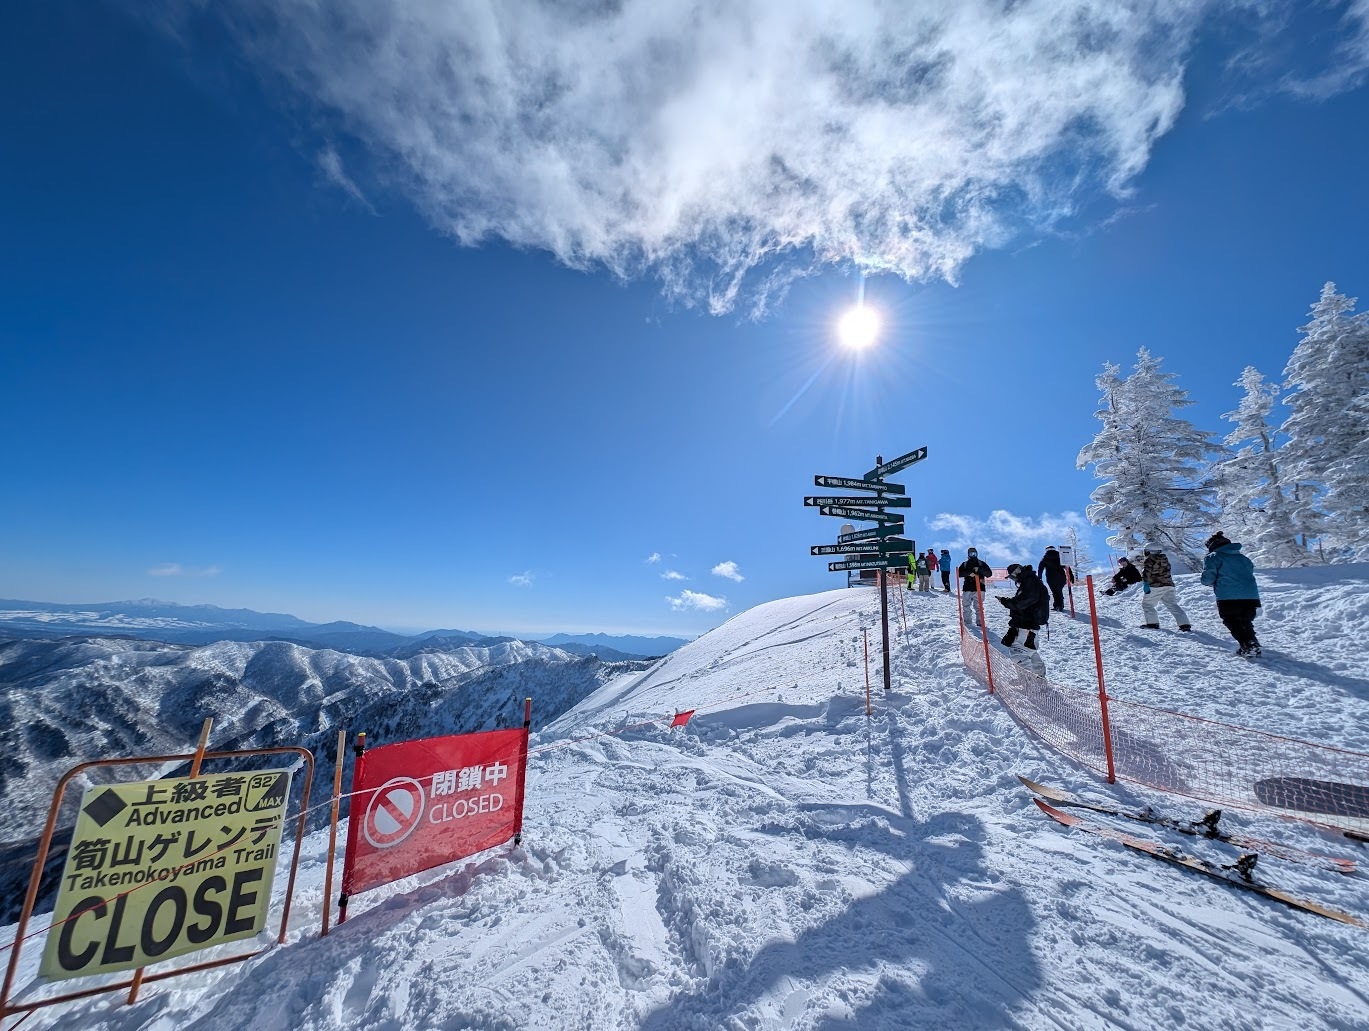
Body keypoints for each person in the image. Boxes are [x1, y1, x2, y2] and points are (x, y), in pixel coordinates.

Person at [1201, 531, 1262, 656]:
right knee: (1245, 621)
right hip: (1251, 595)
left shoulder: (1214, 556)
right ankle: (1252, 643)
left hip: (1228, 595)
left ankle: (1248, 646)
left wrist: (1208, 582)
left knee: (1232, 620)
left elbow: (1208, 578)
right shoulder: (1244, 558)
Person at [998, 564, 1048, 666]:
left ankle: (1026, 681)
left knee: (1018, 654)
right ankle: (1039, 679)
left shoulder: (1030, 582)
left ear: (1017, 572)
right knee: (1029, 652)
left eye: (1013, 576)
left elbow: (1022, 602)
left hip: (1025, 625)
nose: (1014, 579)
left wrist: (1006, 602)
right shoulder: (1031, 581)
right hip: (1028, 624)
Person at [1139, 544, 1191, 631]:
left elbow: (1146, 573)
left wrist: (1145, 583)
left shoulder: (1150, 560)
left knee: (1147, 605)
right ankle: (1184, 624)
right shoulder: (1165, 560)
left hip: (1156, 586)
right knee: (1172, 604)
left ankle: (1152, 623)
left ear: (1149, 551)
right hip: (1169, 585)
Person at [957, 547, 995, 627]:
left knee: (978, 606)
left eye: (974, 553)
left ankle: (980, 622)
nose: (973, 555)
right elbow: (959, 573)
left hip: (979, 588)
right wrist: (968, 573)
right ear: (968, 555)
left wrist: (980, 569)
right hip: (968, 587)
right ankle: (967, 622)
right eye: (971, 554)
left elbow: (989, 574)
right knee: (966, 605)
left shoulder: (981, 563)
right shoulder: (965, 564)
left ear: (977, 554)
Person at [1036, 547, 1070, 612]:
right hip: (1061, 577)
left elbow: (1040, 568)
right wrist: (1070, 575)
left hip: (1051, 577)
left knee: (1055, 591)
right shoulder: (1060, 556)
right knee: (1059, 590)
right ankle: (1060, 605)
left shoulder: (1045, 558)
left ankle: (1057, 605)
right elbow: (1066, 566)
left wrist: (1039, 578)